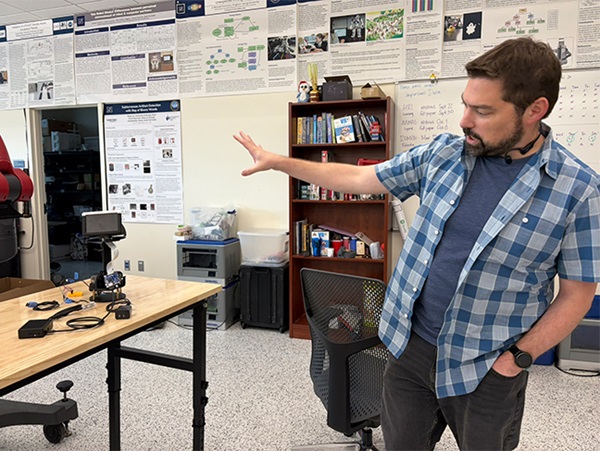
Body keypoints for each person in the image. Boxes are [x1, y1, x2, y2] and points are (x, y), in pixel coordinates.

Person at [233, 37, 599, 450]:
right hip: (410, 349)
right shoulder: (443, 155)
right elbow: (359, 180)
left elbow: (576, 296)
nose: (465, 120)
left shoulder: (578, 190)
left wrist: (515, 361)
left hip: (487, 366)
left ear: (535, 110)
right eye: (465, 104)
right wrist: (279, 162)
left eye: (482, 111)